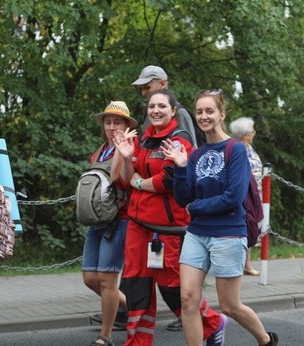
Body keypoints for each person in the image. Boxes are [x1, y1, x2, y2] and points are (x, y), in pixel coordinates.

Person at [113, 89, 226, 346]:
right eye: (152, 106)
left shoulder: (178, 140)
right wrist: (128, 158)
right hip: (138, 227)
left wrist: (140, 183)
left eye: (162, 106)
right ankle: (137, 342)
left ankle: (212, 324)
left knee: (173, 288)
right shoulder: (144, 139)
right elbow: (126, 179)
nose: (155, 110)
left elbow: (168, 181)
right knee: (135, 287)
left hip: (166, 230)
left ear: (173, 110)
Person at [165, 90, 278, 346]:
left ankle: (265, 339)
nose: (204, 116)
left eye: (209, 111)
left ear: (221, 114)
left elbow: (233, 198)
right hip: (196, 234)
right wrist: (181, 168)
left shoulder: (236, 150)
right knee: (188, 300)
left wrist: (197, 207)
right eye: (199, 112)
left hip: (227, 233)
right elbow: (183, 199)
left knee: (229, 305)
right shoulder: (195, 154)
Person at [82, 101, 137, 346]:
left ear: (126, 125)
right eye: (108, 122)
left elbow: (116, 177)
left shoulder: (127, 146)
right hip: (97, 220)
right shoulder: (101, 149)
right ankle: (135, 310)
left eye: (117, 122)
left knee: (107, 281)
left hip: (119, 220)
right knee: (90, 278)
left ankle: (106, 335)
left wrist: (121, 147)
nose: (112, 126)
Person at [132, 65, 206, 149]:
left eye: (147, 87)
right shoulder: (151, 113)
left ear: (162, 84)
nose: (143, 93)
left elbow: (192, 147)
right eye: (141, 89)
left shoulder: (180, 112)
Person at [229, 116, 263, 276]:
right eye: (252, 131)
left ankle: (246, 264)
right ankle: (244, 265)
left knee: (250, 228)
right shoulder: (239, 149)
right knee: (246, 227)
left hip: (254, 195)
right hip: (245, 196)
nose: (254, 133)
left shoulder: (248, 148)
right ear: (244, 135)